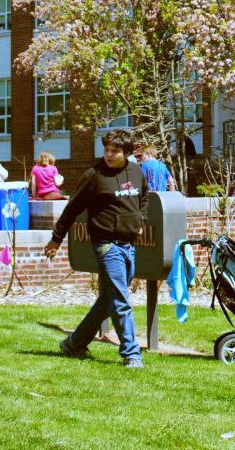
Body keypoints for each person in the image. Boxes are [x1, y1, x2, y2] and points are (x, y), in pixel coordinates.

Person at [44, 129, 149, 369]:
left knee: (109, 299)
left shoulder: (135, 171)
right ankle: (131, 354)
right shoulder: (94, 176)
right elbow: (72, 208)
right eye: (107, 150)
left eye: (115, 151)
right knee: (121, 299)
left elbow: (145, 196)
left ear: (127, 153)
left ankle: (74, 343)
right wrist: (56, 238)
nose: (109, 155)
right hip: (106, 244)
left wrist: (141, 220)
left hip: (128, 243)